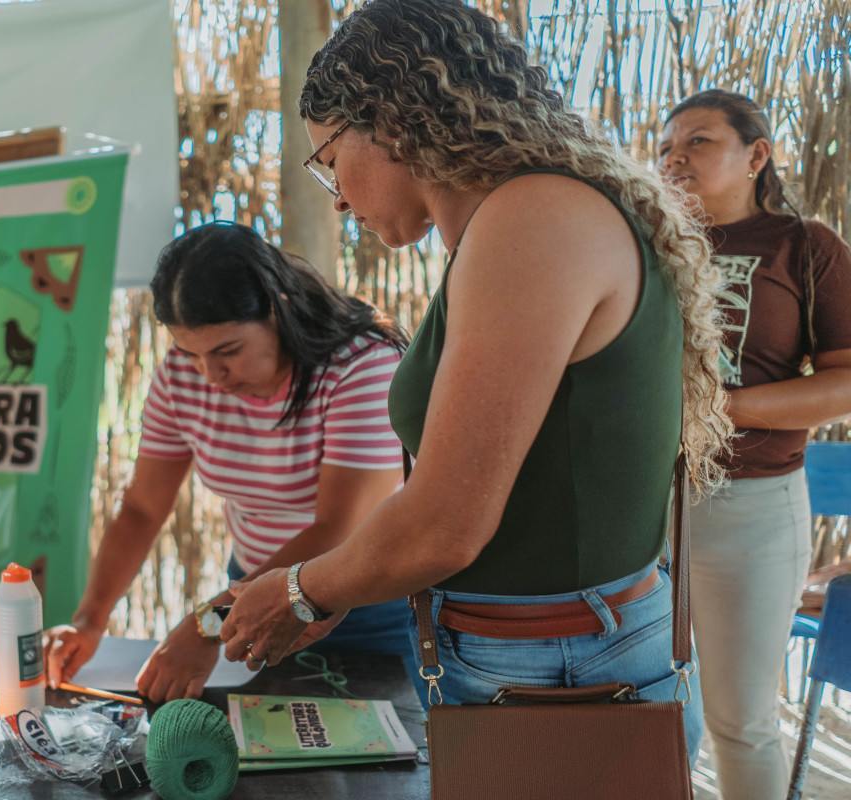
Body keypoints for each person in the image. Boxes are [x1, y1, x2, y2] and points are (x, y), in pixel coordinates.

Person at [219, 0, 733, 765]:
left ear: (387, 120)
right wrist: (346, 579)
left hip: (560, 674)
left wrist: (304, 590)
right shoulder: (524, 218)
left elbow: (448, 522)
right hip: (548, 663)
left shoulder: (533, 221)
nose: (337, 198)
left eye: (328, 160)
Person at [44, 221, 415, 703]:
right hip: (250, 599)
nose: (211, 376)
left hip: (367, 606)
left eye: (229, 351)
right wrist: (89, 621)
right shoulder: (184, 375)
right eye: (190, 353)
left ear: (279, 308)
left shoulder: (362, 365)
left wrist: (207, 626)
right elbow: (141, 508)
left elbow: (337, 530)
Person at [658, 89, 851, 799]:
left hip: (752, 506)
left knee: (741, 721)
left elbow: (845, 382)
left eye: (699, 141)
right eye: (668, 146)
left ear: (756, 155)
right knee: (647, 708)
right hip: (643, 508)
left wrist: (719, 409)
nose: (676, 156)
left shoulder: (803, 247)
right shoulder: (644, 246)